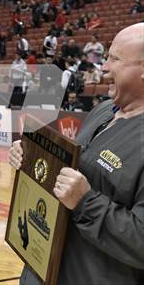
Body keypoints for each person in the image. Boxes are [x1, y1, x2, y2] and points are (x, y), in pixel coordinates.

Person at [10, 22, 144, 285]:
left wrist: (85, 202)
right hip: (44, 267)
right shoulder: (104, 110)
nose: (104, 67)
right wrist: (30, 158)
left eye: (115, 59)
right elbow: (71, 170)